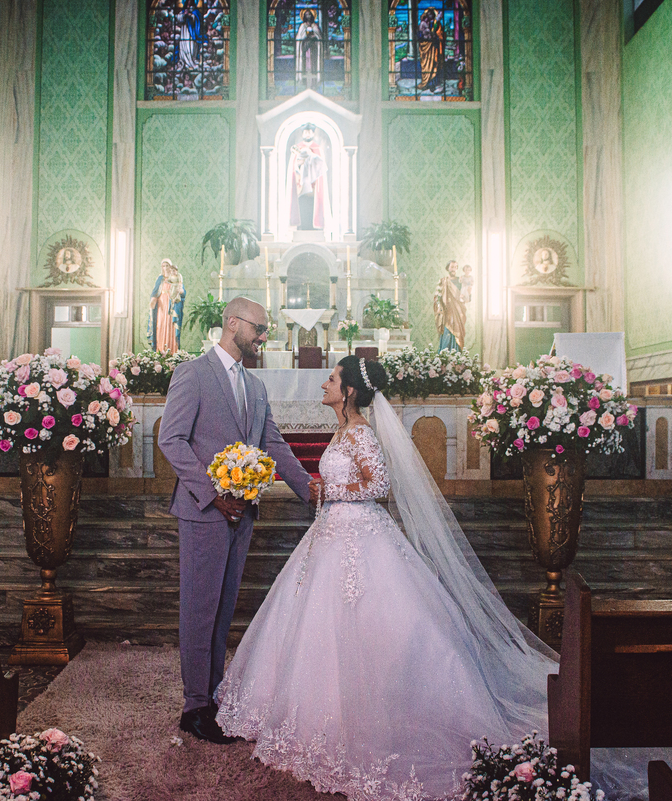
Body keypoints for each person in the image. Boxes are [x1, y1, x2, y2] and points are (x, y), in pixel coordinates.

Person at [216, 355, 559, 800]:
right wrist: (325, 493)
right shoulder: (342, 430)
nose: (325, 384)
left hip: (359, 538)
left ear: (350, 391)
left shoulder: (360, 432)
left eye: (333, 379)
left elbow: (378, 486)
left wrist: (328, 490)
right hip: (332, 535)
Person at [158, 296, 314, 746]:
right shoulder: (192, 374)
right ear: (232, 324)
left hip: (242, 514)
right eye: (259, 328)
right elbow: (172, 440)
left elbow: (273, 444)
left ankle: (212, 695)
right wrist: (212, 493)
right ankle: (194, 707)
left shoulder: (256, 387)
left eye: (264, 331)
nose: (263, 337)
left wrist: (311, 490)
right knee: (199, 609)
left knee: (223, 610)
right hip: (205, 512)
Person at [287, 124, 330, 231]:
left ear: (313, 133)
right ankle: (301, 227)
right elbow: (293, 166)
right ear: (302, 134)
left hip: (314, 186)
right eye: (305, 132)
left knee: (313, 205)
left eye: (310, 132)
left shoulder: (317, 148)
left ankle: (314, 227)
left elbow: (321, 166)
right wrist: (299, 163)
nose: (307, 134)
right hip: (301, 184)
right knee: (302, 206)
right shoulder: (297, 148)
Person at [147, 258, 185, 353]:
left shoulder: (176, 278)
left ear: (171, 266)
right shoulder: (160, 279)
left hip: (172, 304)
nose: (165, 268)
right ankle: (160, 350)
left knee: (171, 326)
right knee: (160, 326)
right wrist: (153, 299)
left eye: (167, 266)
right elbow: (155, 292)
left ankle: (172, 351)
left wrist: (180, 291)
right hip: (161, 306)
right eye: (163, 266)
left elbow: (182, 292)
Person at [433, 259, 465, 351]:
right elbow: (437, 296)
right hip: (447, 312)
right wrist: (439, 307)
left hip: (458, 312)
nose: (453, 269)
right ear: (448, 268)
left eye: (455, 267)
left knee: (457, 333)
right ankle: (444, 357)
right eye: (452, 267)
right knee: (447, 332)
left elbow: (465, 296)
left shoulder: (460, 281)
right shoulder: (443, 281)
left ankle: (457, 358)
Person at [416, 8, 445, 91]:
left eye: (432, 15)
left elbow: (437, 34)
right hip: (426, 46)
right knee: (426, 65)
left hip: (432, 47)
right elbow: (423, 35)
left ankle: (432, 84)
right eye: (429, 15)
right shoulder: (423, 24)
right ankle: (425, 83)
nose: (431, 17)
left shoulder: (432, 24)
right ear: (426, 16)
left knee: (433, 63)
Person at [294, 8, 323, 90]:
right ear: (304, 16)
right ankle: (303, 82)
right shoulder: (302, 26)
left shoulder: (315, 26)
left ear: (312, 16)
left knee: (313, 65)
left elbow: (319, 37)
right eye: (306, 14)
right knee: (304, 65)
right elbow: (299, 38)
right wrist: (305, 36)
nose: (308, 16)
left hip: (313, 50)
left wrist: (314, 36)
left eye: (309, 14)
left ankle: (314, 82)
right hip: (304, 50)